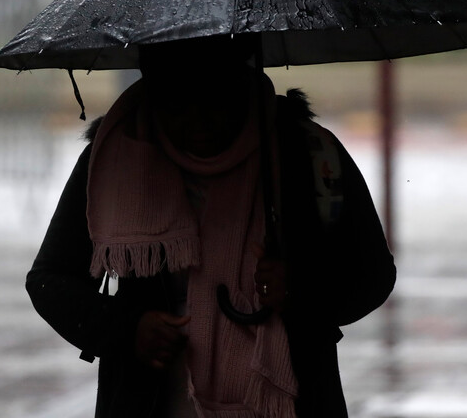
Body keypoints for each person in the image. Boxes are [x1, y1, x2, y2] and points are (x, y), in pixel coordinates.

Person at [26, 35, 396, 417]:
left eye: (216, 99)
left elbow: (374, 275)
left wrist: (298, 288)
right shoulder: (112, 161)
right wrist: (128, 329)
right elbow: (49, 280)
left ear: (241, 80)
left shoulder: (305, 153)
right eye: (177, 103)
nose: (199, 121)